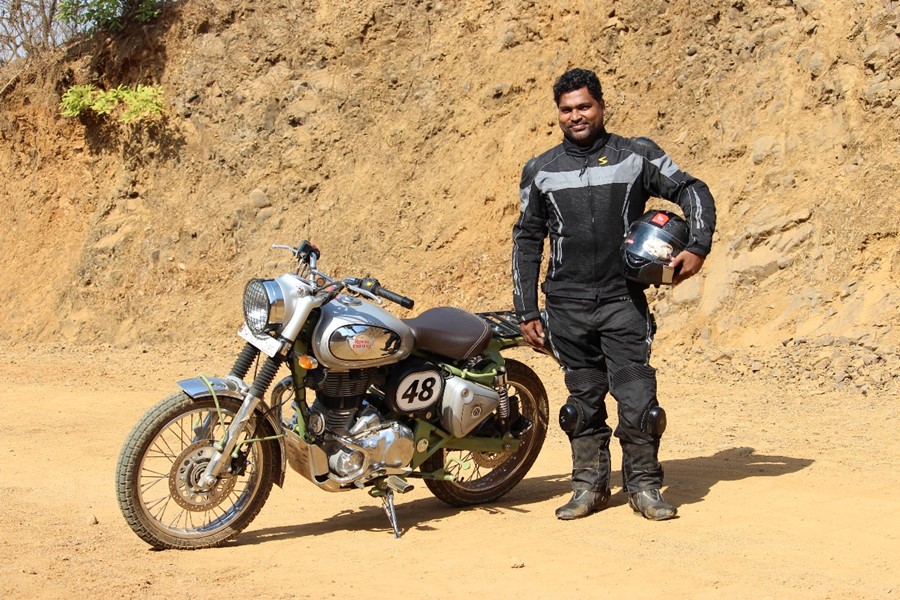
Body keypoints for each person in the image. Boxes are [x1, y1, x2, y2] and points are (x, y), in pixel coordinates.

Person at [512, 68, 716, 521]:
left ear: (601, 106)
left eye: (584, 106)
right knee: (581, 405)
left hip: (622, 300)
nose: (576, 116)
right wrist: (526, 309)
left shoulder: (635, 155)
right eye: (567, 109)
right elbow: (526, 240)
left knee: (639, 402)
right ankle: (589, 487)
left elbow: (691, 189)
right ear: (558, 114)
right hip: (566, 305)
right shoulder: (541, 169)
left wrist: (698, 245)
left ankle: (644, 486)